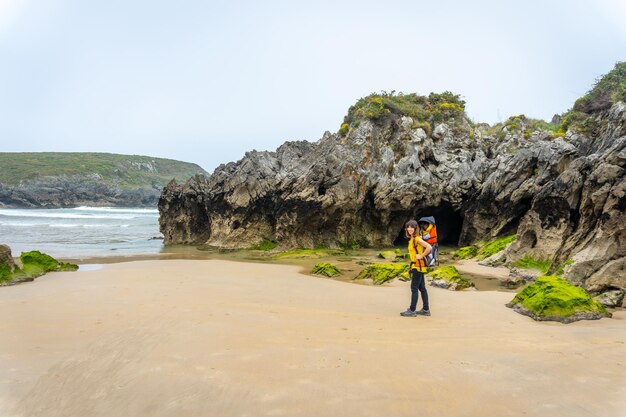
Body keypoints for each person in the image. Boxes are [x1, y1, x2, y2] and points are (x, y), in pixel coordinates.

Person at [400, 219, 432, 317]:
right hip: (417, 266)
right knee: (422, 287)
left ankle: (412, 310)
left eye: (411, 227)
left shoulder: (417, 239)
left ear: (415, 228)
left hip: (418, 266)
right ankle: (426, 309)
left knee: (414, 288)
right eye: (408, 227)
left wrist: (421, 255)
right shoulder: (413, 238)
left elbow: (429, 247)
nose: (409, 229)